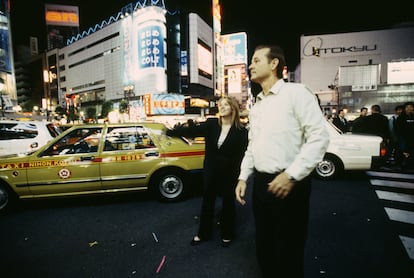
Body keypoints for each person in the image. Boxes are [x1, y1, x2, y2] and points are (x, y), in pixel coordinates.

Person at [234, 45, 329, 278]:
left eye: (256, 60)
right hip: (262, 185)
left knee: (290, 248)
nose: (250, 65)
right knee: (264, 244)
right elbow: (252, 145)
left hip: (291, 185)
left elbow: (319, 138)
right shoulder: (257, 105)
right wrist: (243, 176)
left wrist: (291, 175)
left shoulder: (297, 93)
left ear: (274, 63)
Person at [167, 96, 248, 247]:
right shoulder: (211, 124)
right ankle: (203, 233)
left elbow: (242, 155)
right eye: (220, 105)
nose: (221, 107)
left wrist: (241, 177)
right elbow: (193, 130)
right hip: (211, 171)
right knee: (207, 202)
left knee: (228, 203)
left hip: (230, 173)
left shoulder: (241, 131)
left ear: (233, 108)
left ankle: (227, 233)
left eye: (225, 105)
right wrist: (171, 132)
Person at [395, 101, 414, 170]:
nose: (409, 108)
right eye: (407, 107)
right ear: (405, 108)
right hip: (403, 137)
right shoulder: (401, 117)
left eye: (411, 107)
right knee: (403, 151)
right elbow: (397, 129)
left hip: (412, 138)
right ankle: (401, 164)